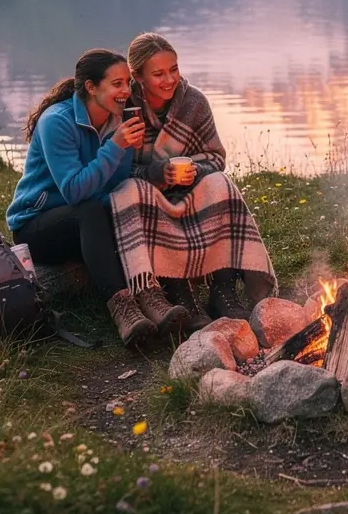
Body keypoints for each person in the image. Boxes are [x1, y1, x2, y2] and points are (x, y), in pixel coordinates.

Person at [108, 32, 276, 329]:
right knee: (130, 191)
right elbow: (113, 169)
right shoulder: (124, 106)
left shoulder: (194, 102)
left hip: (189, 188)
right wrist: (154, 174)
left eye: (174, 69)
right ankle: (176, 291)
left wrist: (194, 173)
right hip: (148, 191)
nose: (170, 79)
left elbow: (215, 157)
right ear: (138, 76)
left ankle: (222, 289)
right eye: (158, 74)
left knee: (221, 184)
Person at [6, 49, 161, 346]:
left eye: (128, 82)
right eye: (117, 84)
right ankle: (122, 309)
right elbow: (75, 191)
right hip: (37, 226)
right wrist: (116, 146)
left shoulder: (117, 121)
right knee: (89, 210)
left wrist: (129, 196)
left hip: (86, 224)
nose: (126, 91)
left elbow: (113, 187)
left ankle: (154, 296)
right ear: (91, 87)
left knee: (130, 198)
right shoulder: (57, 122)